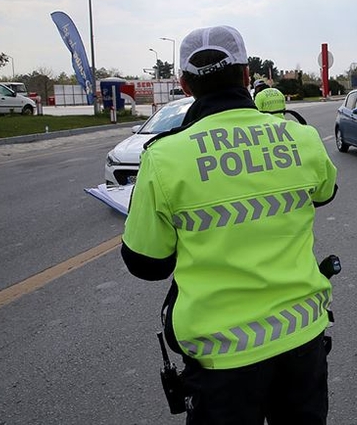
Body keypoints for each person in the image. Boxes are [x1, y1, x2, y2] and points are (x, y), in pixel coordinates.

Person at [121, 24, 338, 425]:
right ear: (245, 74)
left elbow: (147, 263)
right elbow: (325, 193)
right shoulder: (301, 138)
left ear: (185, 85)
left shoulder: (164, 157)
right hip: (303, 335)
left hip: (221, 357)